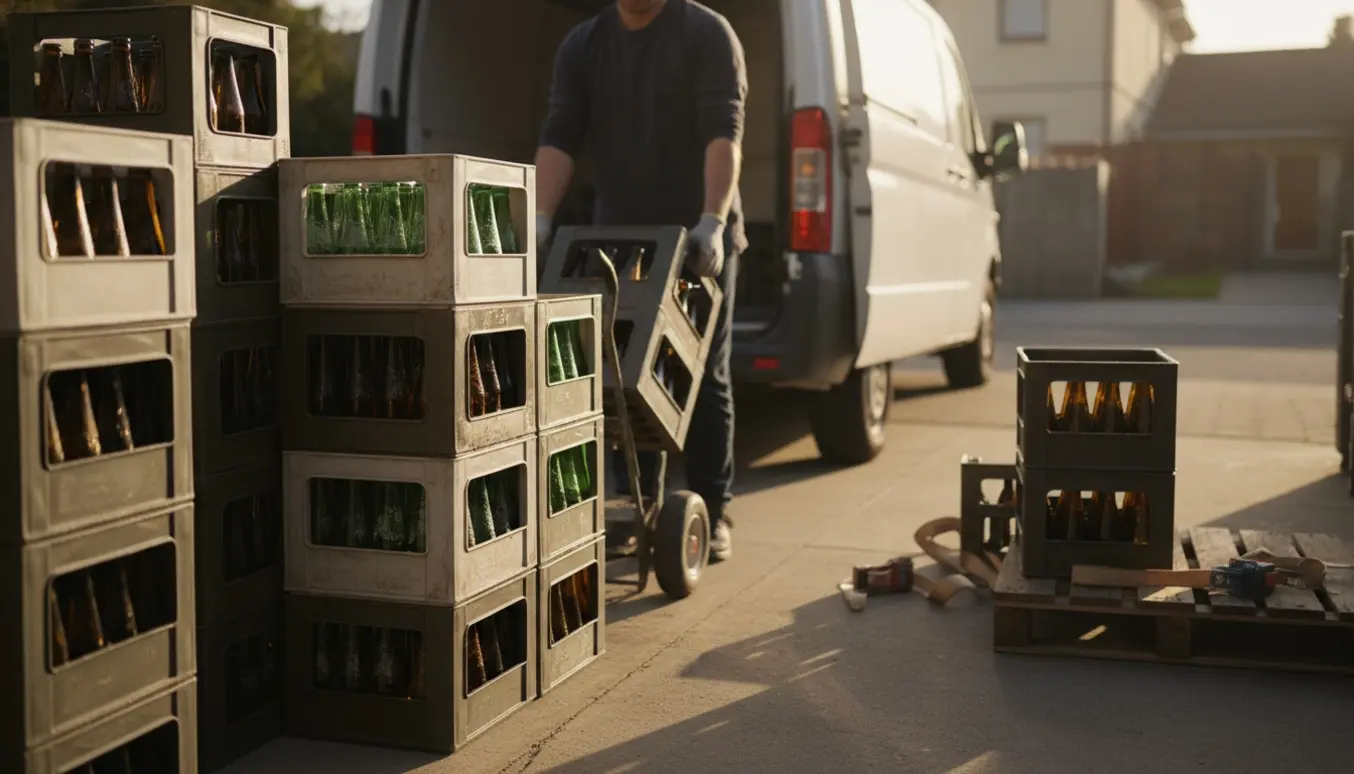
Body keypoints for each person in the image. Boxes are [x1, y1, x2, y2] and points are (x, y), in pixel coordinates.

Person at [534, 0, 747, 562]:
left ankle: (712, 509)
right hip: (623, 243)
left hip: (697, 238)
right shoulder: (584, 46)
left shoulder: (704, 33)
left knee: (702, 375)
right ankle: (636, 504)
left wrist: (713, 221)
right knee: (624, 373)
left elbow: (723, 133)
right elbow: (560, 136)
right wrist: (539, 219)